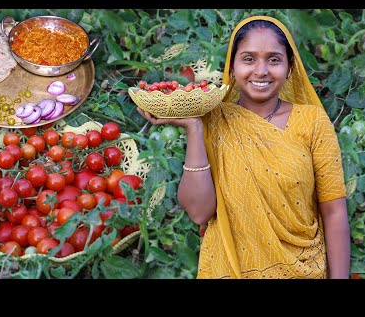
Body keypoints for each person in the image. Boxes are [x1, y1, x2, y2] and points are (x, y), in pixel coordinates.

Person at [137, 15, 351, 279]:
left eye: (274, 59)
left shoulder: (312, 122)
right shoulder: (214, 120)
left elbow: (334, 212)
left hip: (304, 270)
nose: (261, 70)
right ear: (232, 67)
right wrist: (194, 126)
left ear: (290, 67)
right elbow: (198, 212)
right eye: (248, 59)